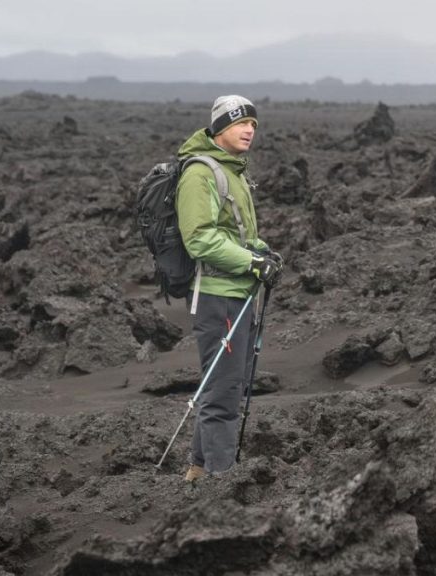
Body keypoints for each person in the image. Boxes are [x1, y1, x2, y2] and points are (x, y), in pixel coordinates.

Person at [175, 95, 282, 482]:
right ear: (219, 128)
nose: (250, 130)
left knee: (225, 387)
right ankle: (224, 482)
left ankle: (199, 471)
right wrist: (252, 263)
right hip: (217, 296)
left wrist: (260, 251)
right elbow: (200, 239)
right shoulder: (200, 174)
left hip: (237, 293)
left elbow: (232, 234)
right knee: (222, 394)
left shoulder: (232, 171)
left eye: (253, 123)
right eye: (240, 123)